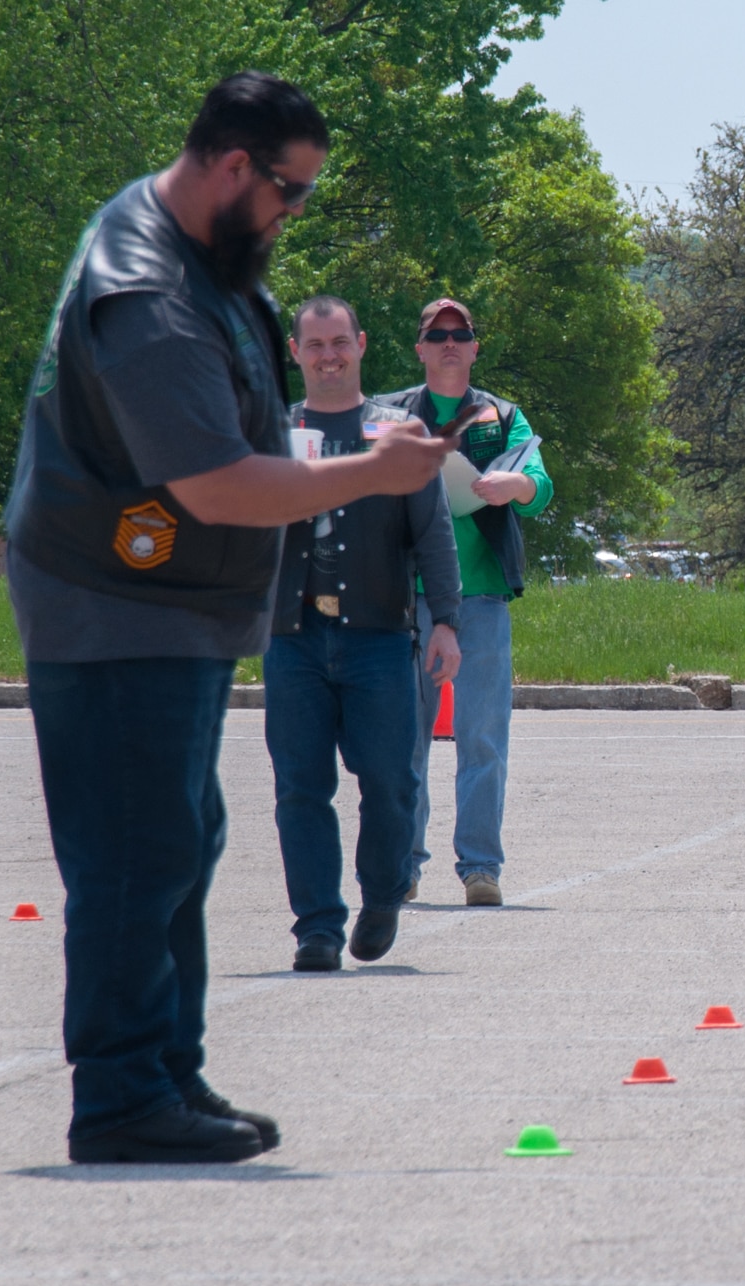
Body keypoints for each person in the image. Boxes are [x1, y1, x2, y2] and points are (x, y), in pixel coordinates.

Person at [5, 73, 455, 1164]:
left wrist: (353, 459)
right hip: (115, 605)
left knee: (176, 837)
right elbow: (214, 484)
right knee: (133, 849)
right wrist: (369, 472)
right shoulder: (148, 291)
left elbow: (243, 434)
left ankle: (165, 1070)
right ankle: (118, 1097)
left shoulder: (187, 250)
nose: (294, 213)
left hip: (167, 604)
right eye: (288, 192)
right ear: (231, 167)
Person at [267, 295, 463, 973]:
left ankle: (382, 894)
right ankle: (316, 927)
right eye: (314, 345)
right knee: (300, 787)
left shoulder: (397, 432)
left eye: (339, 342)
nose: (328, 356)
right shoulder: (272, 432)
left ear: (362, 345)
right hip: (292, 640)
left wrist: (447, 623)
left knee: (390, 780)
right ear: (295, 353)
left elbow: (434, 534)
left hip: (380, 637)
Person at [376, 299, 553, 908]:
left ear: (476, 347)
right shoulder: (389, 414)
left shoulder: (504, 417)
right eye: (437, 334)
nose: (450, 343)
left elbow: (540, 487)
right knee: (404, 741)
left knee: (482, 738)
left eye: (462, 334)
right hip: (402, 600)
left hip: (481, 601)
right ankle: (403, 865)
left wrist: (516, 485)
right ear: (420, 348)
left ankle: (481, 868)